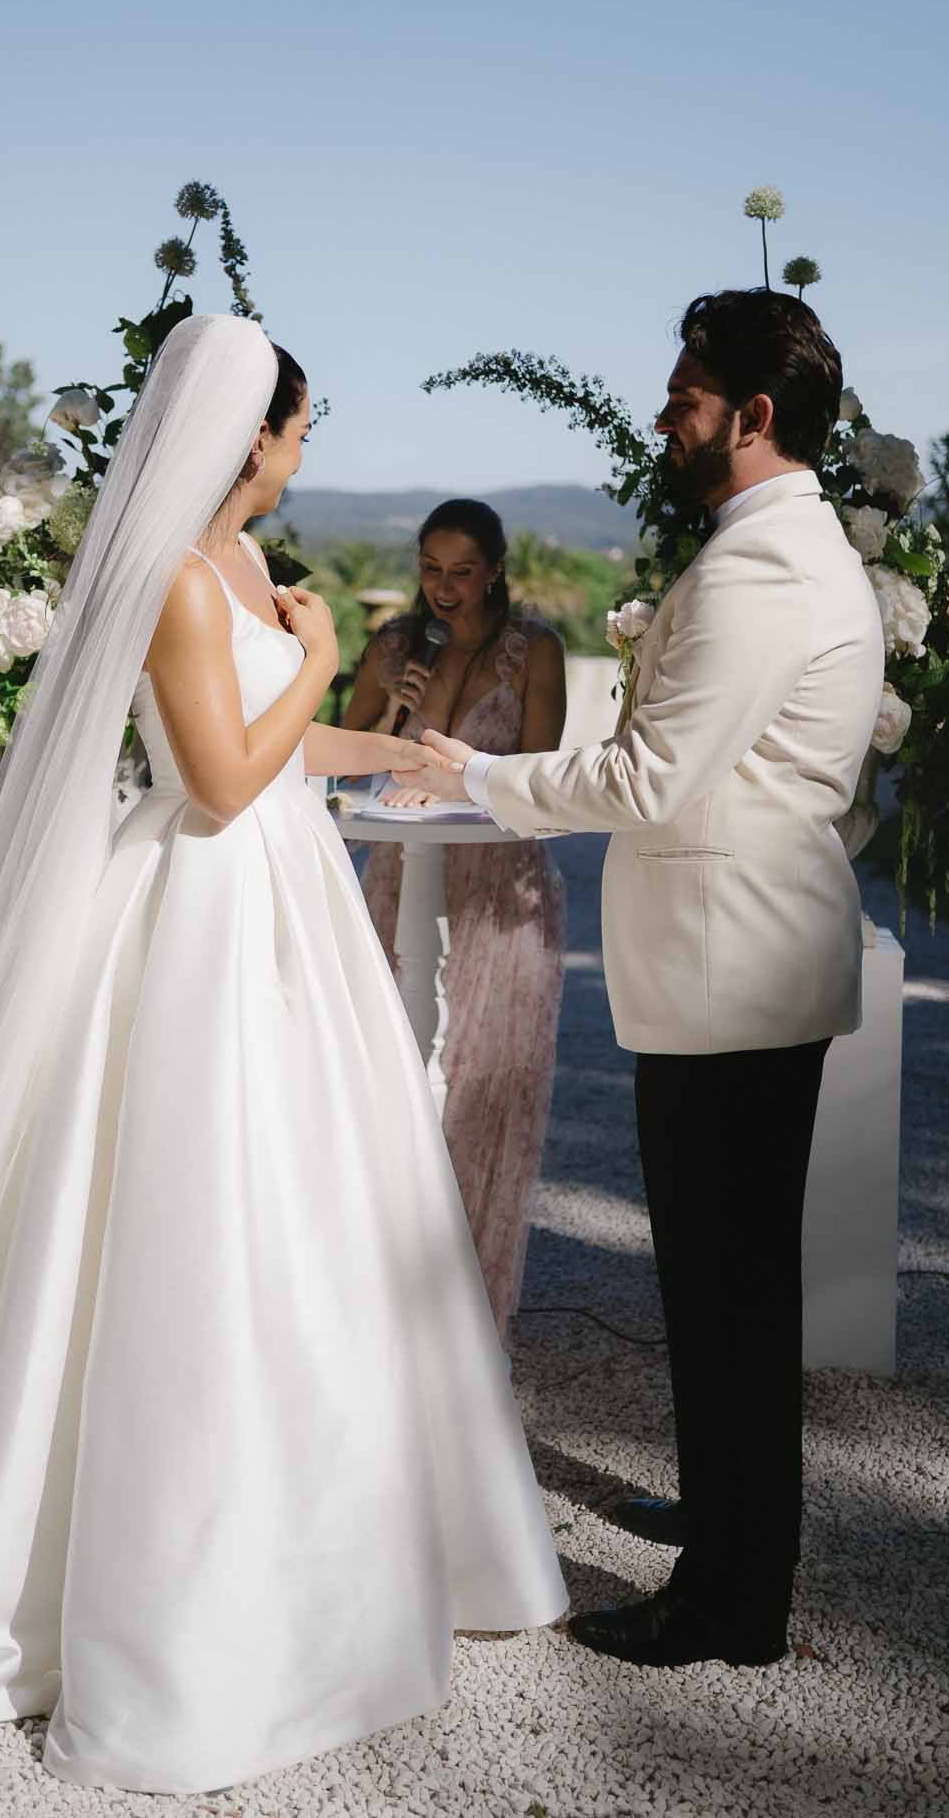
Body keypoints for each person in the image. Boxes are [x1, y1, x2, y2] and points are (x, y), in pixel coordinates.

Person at [0, 318, 567, 1814]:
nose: (301, 452)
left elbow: (281, 754)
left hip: (279, 901)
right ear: (248, 437)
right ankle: (173, 1575)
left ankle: (348, 1530)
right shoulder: (170, 580)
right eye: (297, 430)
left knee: (315, 1211)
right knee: (196, 1207)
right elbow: (216, 784)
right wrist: (331, 653)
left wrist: (414, 756)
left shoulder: (233, 577)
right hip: (208, 907)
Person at [394, 291, 884, 1669]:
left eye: (682, 396)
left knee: (727, 1292)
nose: (663, 416)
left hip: (734, 972)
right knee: (731, 1287)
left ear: (752, 414)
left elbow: (645, 773)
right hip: (745, 961)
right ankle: (733, 1526)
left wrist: (479, 776)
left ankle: (731, 1605)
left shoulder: (758, 572)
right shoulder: (780, 550)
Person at [342, 501, 568, 1336]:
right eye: (430, 568)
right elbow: (336, 746)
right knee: (383, 1076)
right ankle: (375, 1299)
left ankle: (469, 1312)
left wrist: (458, 777)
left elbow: (541, 777)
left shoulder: (534, 651)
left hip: (502, 889)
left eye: (461, 569)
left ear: (496, 569)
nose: (442, 587)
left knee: (486, 1087)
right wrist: (390, 717)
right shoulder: (395, 647)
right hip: (400, 878)